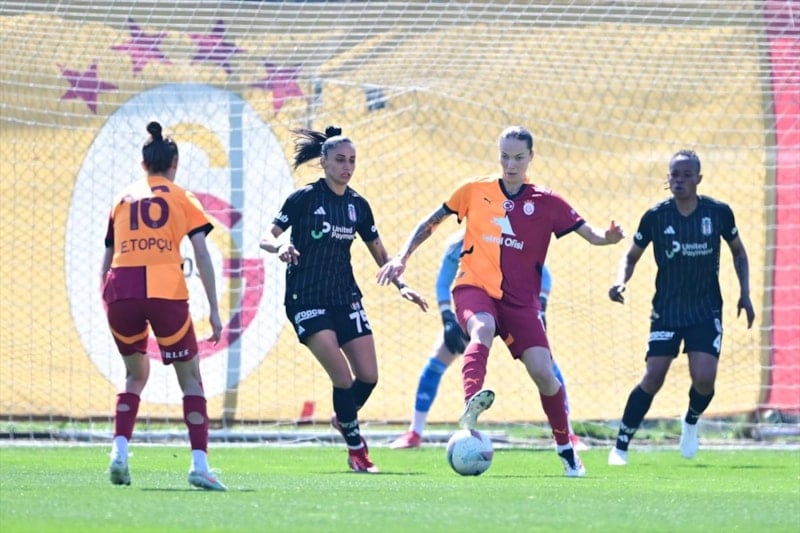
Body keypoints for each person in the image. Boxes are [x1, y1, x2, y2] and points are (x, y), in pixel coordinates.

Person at [377, 126, 624, 477]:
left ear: (531, 157)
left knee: (545, 375)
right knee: (482, 327)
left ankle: (566, 449)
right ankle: (470, 405)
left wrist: (609, 238)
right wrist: (402, 257)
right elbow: (432, 221)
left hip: (521, 304)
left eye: (518, 158)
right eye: (505, 157)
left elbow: (592, 235)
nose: (510, 165)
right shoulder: (474, 190)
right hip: (473, 288)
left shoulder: (547, 202)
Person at [260, 126, 428, 474]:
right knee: (342, 378)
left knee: (368, 376)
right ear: (323, 162)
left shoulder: (358, 206)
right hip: (306, 299)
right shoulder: (304, 198)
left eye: (351, 160)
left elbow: (380, 253)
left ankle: (344, 418)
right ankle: (357, 450)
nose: (346, 166)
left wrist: (402, 286)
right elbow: (267, 236)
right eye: (339, 160)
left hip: (345, 297)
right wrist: (281, 246)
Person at [607, 150, 755, 466]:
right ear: (668, 178)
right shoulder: (656, 216)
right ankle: (620, 446)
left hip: (705, 309)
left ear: (698, 178)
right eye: (675, 174)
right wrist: (620, 282)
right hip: (668, 309)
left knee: (704, 378)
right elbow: (631, 256)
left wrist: (745, 293)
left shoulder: (718, 213)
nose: (680, 180)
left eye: (687, 175)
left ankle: (690, 419)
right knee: (653, 377)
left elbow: (739, 253)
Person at [102, 121, 226, 490]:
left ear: (143, 164)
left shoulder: (122, 198)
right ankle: (199, 465)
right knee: (191, 379)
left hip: (120, 291)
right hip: (165, 293)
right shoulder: (182, 197)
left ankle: (119, 452)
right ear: (175, 163)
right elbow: (201, 254)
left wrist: (106, 299)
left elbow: (107, 256)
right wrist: (214, 309)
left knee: (135, 375)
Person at [389, 231, 588, 451]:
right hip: (477, 311)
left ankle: (568, 434)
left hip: (513, 311)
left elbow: (545, 277)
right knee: (436, 362)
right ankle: (415, 432)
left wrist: (541, 307)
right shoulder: (457, 246)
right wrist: (447, 317)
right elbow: (443, 284)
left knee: (545, 367)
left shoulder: (513, 238)